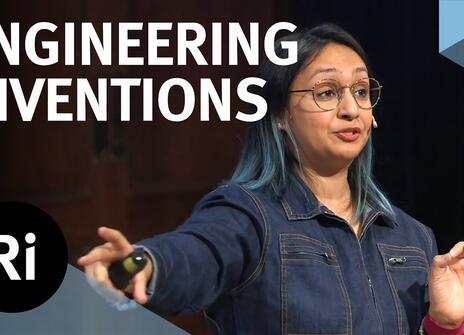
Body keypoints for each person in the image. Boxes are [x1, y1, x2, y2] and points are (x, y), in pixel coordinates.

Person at [78, 23, 464, 334]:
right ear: (279, 115)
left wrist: (443, 326)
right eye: (327, 92)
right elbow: (197, 253)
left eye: (361, 91)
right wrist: (143, 264)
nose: (350, 108)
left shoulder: (413, 237)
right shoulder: (247, 215)